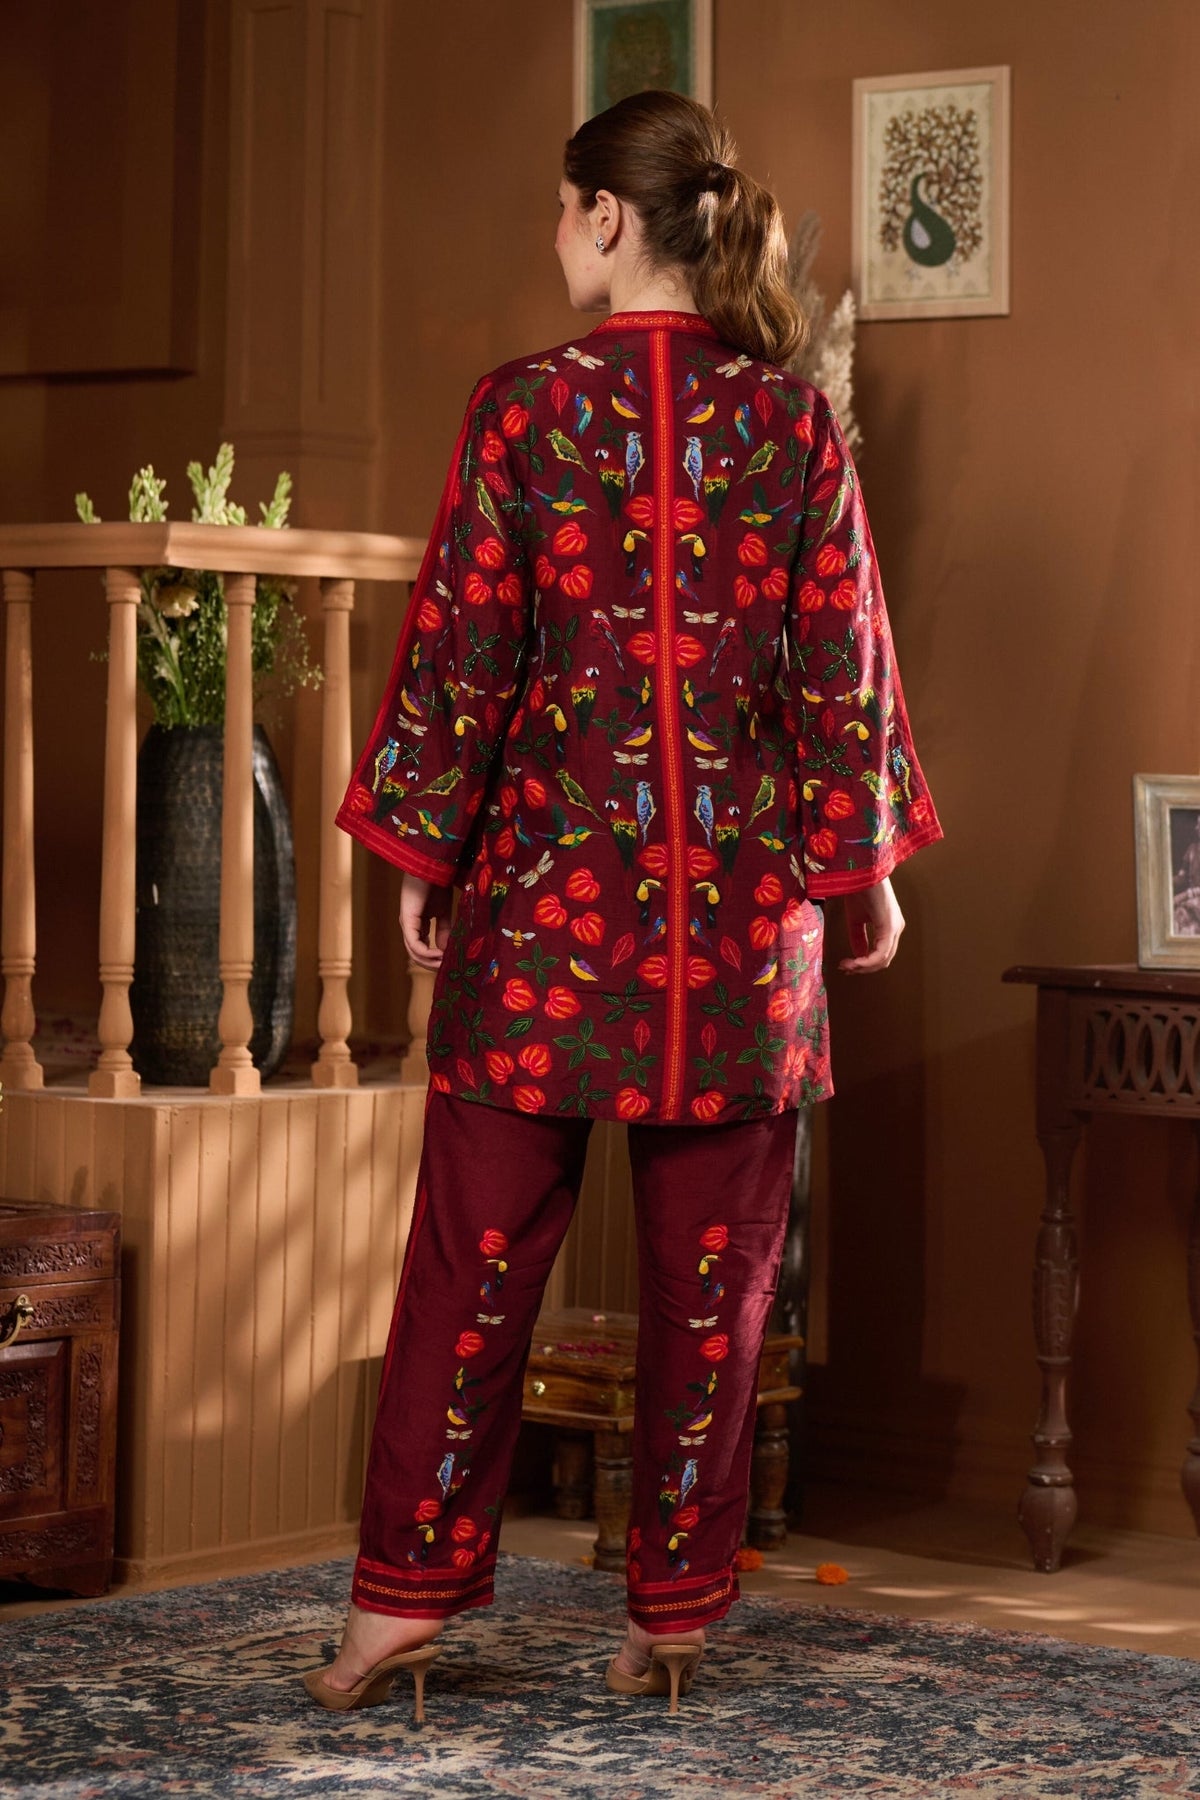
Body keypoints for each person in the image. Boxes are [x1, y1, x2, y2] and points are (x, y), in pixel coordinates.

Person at [303, 88, 942, 1717]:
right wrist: (860, 870)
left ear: (604, 216)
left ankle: (397, 1611)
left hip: (544, 917)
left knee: (468, 1270)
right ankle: (675, 1614)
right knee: (718, 1291)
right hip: (739, 935)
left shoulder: (522, 412)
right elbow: (841, 664)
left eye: (559, 206)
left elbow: (465, 655)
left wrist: (425, 856)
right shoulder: (791, 424)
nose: (555, 233)